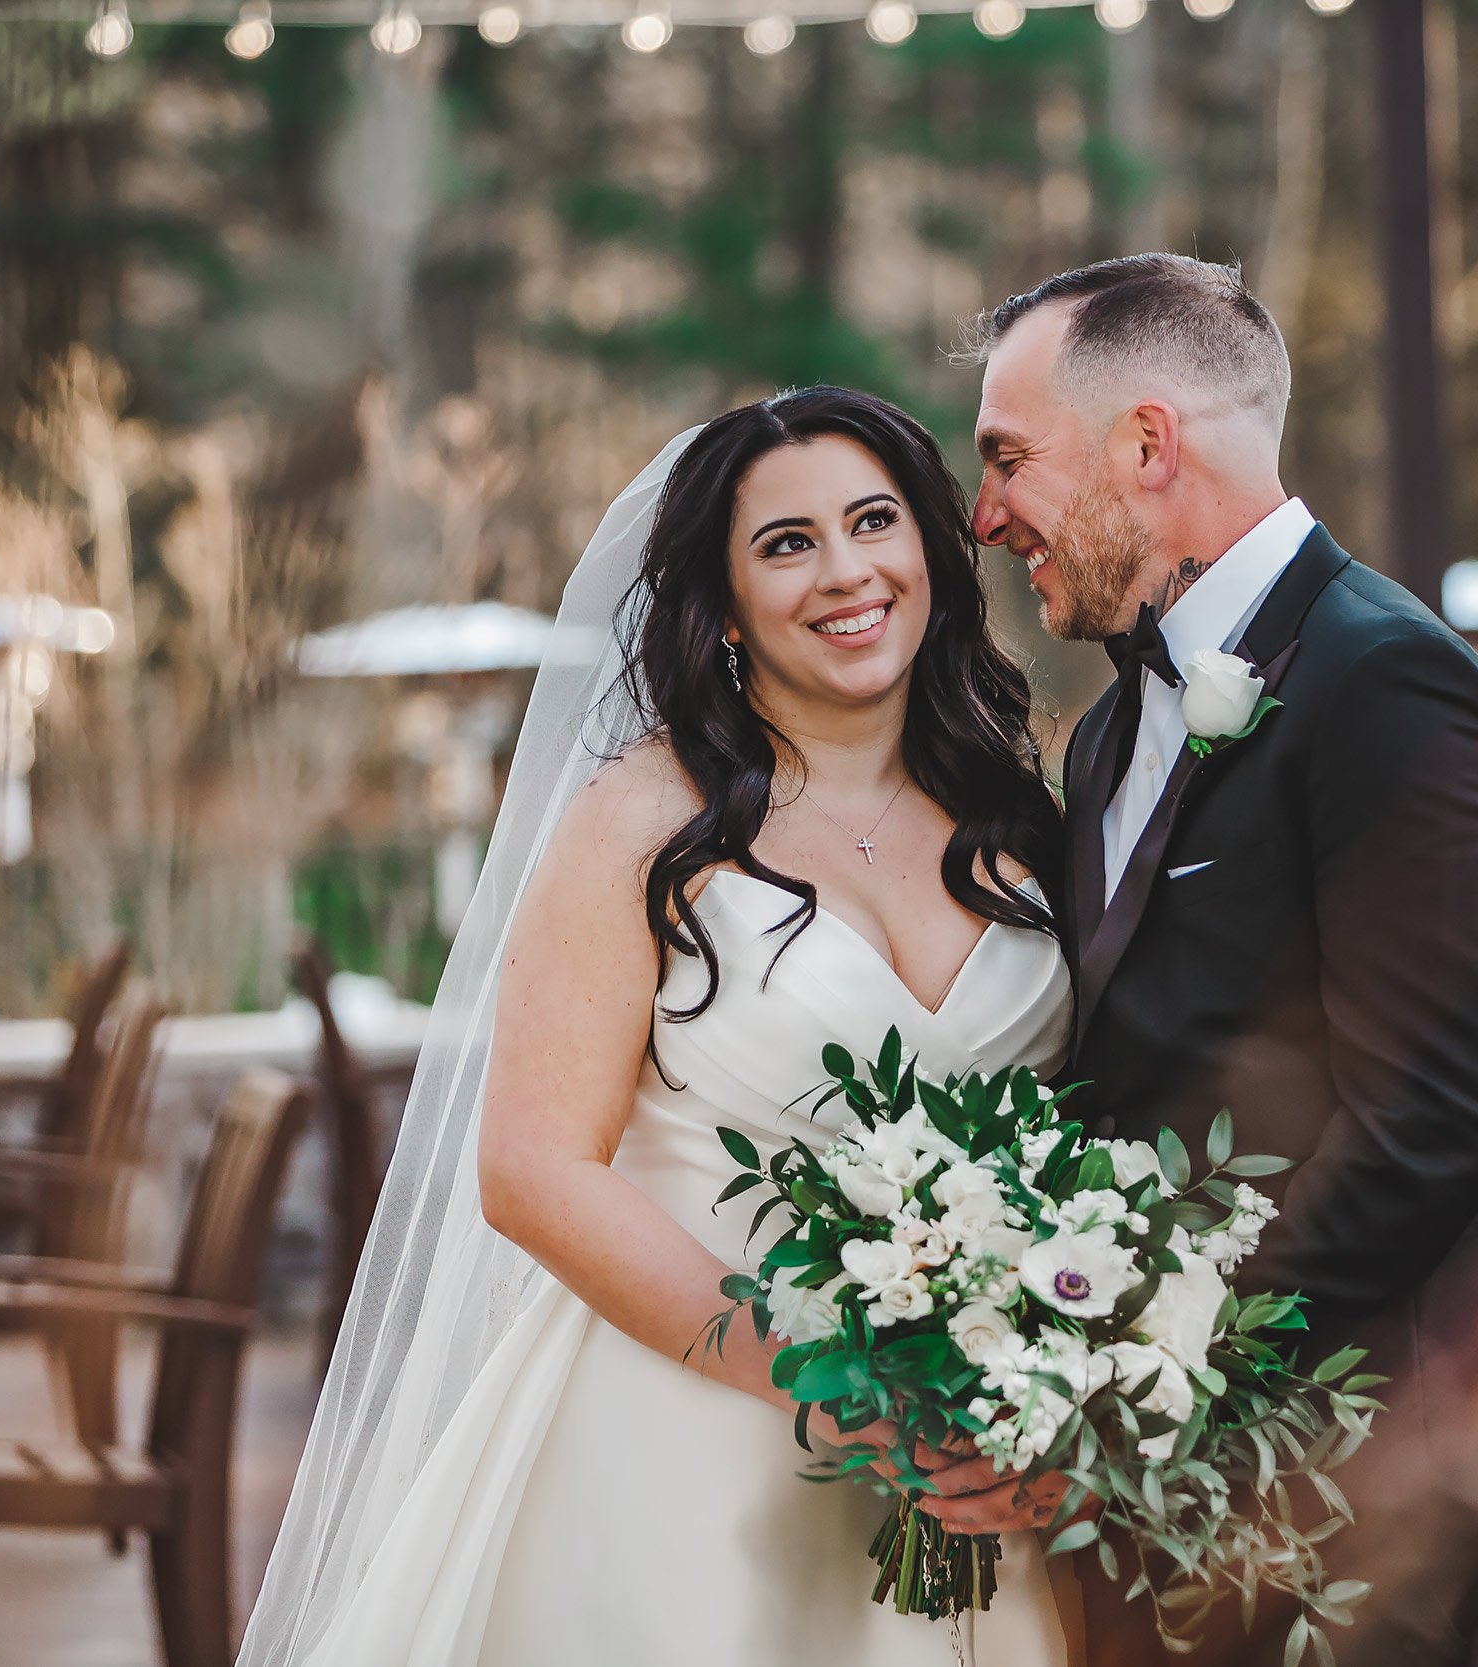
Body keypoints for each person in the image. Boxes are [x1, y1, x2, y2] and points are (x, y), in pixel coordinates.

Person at [238, 388, 1080, 1667]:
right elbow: (531, 1170)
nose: (844, 570)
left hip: (976, 1451)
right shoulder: (639, 823)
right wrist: (823, 1379)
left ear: (931, 553)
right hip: (684, 1450)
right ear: (723, 601)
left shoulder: (1018, 808)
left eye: (873, 522)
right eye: (785, 543)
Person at [923, 254, 1478, 1666]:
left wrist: (1139, 1381)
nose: (984, 518)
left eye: (1006, 459)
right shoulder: (1108, 729)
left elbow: (1432, 1124)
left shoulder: (1392, 685)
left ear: (1148, 444)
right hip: (1160, 1522)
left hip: (1388, 1492)